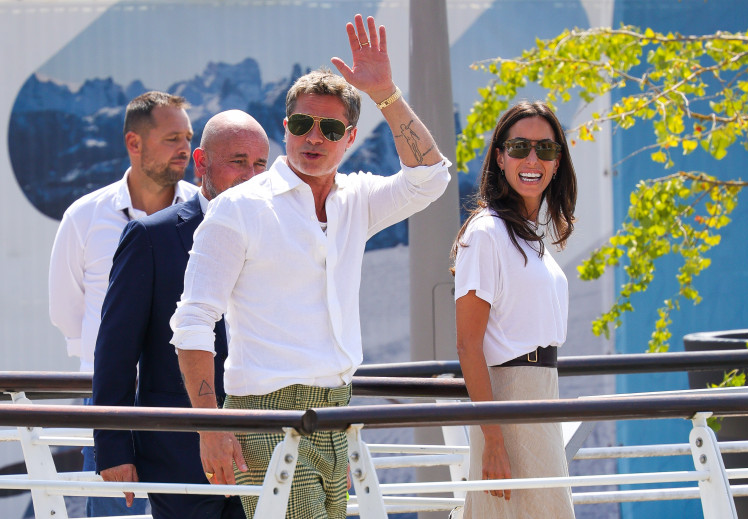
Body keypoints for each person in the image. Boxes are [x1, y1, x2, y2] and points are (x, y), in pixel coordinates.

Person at [170, 13, 451, 519]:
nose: (313, 137)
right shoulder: (241, 208)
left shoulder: (357, 199)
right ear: (286, 128)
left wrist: (386, 93)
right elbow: (193, 321)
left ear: (349, 137)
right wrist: (210, 427)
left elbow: (431, 177)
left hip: (337, 410)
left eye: (329, 127)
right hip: (266, 413)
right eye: (301, 124)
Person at [92, 110, 268, 519]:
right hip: (179, 455)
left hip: (267, 450)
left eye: (260, 164)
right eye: (238, 161)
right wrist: (114, 447)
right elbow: (116, 352)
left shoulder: (281, 234)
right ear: (202, 163)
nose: (252, 175)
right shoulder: (151, 237)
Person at [48, 91, 199, 516]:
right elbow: (67, 312)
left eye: (188, 137)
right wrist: (109, 369)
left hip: (187, 404)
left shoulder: (208, 215)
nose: (185, 148)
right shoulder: (84, 217)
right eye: (172, 138)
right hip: (112, 406)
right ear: (134, 143)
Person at [451, 101, 577, 519]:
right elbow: (469, 346)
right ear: (500, 156)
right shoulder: (486, 233)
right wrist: (493, 439)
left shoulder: (529, 239)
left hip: (541, 398)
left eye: (546, 149)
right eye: (520, 147)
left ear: (558, 162)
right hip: (507, 401)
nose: (532, 159)